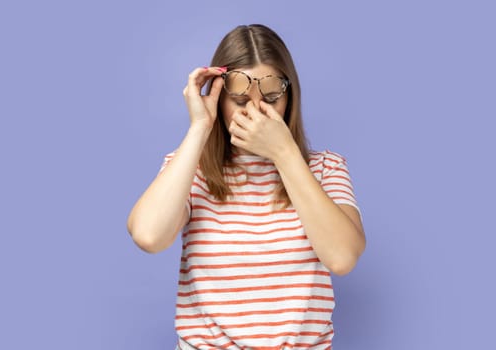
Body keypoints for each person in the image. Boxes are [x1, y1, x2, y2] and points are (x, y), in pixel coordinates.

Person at [127, 24, 366, 350]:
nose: (254, 110)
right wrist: (201, 126)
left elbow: (342, 258)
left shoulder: (326, 168)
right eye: (240, 99)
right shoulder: (190, 170)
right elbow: (148, 236)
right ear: (218, 97)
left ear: (289, 100)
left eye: (269, 99)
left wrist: (284, 153)